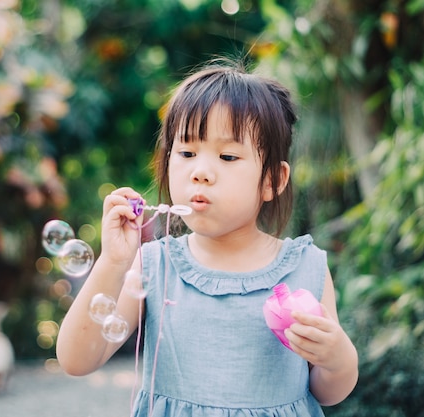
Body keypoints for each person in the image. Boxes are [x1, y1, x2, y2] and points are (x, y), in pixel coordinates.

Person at [56, 58, 358, 417]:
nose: (200, 172)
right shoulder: (155, 265)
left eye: (227, 156)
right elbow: (76, 360)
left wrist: (338, 360)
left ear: (273, 180)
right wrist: (113, 262)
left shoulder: (305, 268)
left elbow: (326, 393)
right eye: (185, 152)